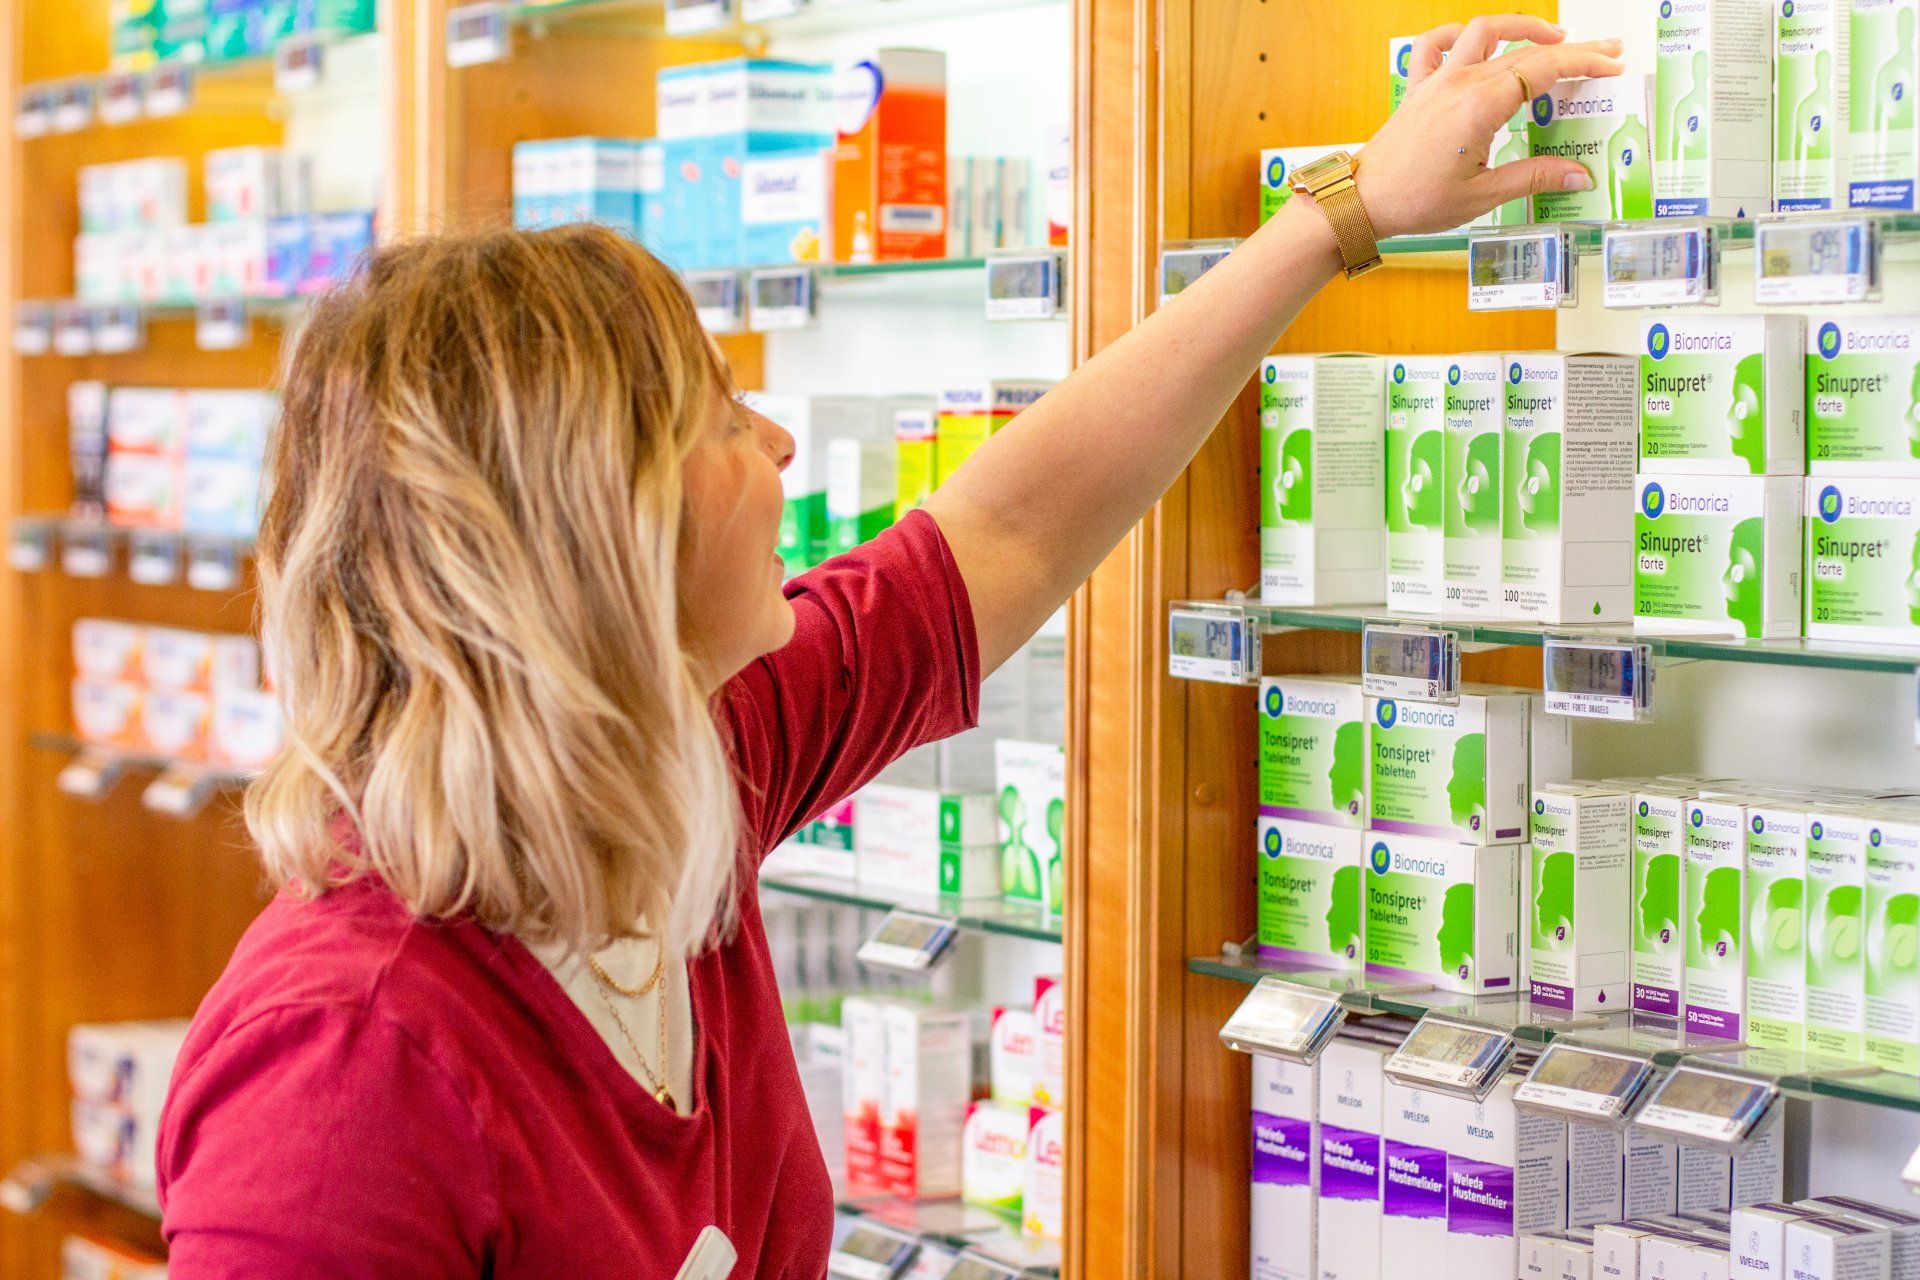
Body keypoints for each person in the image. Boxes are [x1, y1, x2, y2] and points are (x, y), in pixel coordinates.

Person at [155, 18, 1621, 1278]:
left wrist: (1343, 214)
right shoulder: (344, 1066)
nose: (781, 446)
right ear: (600, 527)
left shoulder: (675, 776)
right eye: (723, 419)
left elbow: (1008, 530)